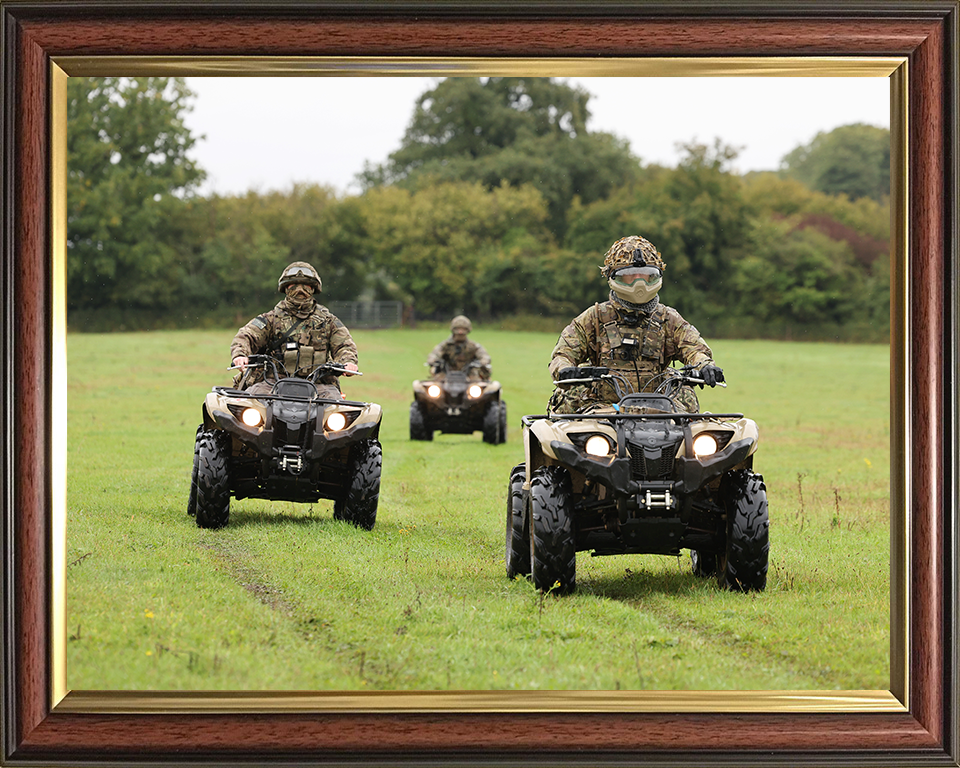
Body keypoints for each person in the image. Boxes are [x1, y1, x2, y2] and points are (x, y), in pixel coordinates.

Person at [547, 235, 724, 414]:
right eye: (630, 276)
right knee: (568, 399)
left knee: (687, 399)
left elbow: (694, 348)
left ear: (656, 276)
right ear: (613, 277)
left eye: (646, 275)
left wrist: (704, 366)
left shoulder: (668, 318)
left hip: (658, 408)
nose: (639, 283)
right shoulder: (594, 317)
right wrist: (565, 370)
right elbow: (563, 354)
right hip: (604, 409)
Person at [230, 261, 359, 399]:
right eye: (294, 285)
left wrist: (348, 362)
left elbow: (344, 345)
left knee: (336, 406)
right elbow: (246, 336)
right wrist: (240, 355)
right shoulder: (270, 319)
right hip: (272, 383)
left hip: (319, 385)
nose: (299, 290)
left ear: (313, 288)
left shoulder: (328, 322)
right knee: (251, 402)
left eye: (305, 285)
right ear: (285, 288)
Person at [426, 315, 492, 381]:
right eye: (458, 329)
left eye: (463, 329)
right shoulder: (445, 345)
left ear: (468, 330)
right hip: (446, 374)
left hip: (469, 375)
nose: (460, 332)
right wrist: (432, 360)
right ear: (453, 329)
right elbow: (435, 353)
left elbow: (483, 354)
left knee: (478, 383)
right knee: (436, 383)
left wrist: (484, 361)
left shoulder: (473, 346)